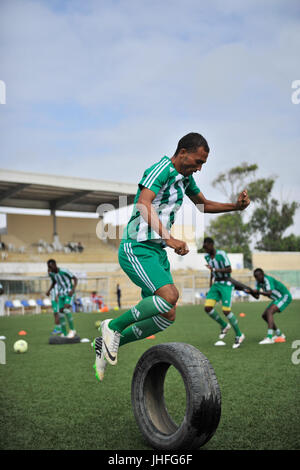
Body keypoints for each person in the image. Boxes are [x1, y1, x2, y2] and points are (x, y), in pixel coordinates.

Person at [92, 132, 250, 381]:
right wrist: (169, 238)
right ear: (183, 153)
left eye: (203, 165)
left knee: (167, 315)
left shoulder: (184, 179)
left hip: (156, 251)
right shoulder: (160, 169)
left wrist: (236, 207)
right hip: (137, 246)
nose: (199, 169)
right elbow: (144, 204)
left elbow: (203, 204)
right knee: (170, 296)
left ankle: (107, 343)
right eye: (197, 162)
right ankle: (112, 326)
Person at [202, 237, 245, 349]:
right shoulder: (206, 257)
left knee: (226, 310)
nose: (205, 250)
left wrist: (215, 270)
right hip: (216, 285)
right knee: (207, 308)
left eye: (206, 247)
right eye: (204, 248)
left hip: (226, 284)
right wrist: (210, 287)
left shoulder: (221, 254)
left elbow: (229, 269)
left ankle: (239, 335)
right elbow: (212, 272)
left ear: (211, 245)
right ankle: (224, 325)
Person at [248, 268, 292, 344]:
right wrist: (251, 292)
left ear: (262, 275)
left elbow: (269, 293)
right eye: (255, 277)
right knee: (264, 315)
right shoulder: (258, 282)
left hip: (284, 296)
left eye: (258, 276)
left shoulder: (268, 279)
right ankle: (280, 334)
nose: (257, 278)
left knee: (269, 312)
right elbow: (257, 297)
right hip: (277, 299)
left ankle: (269, 337)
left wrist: (258, 291)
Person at [46, 259, 78, 338]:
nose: (50, 269)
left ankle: (72, 330)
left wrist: (73, 289)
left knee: (66, 309)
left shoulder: (64, 271)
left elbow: (75, 278)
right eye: (48, 267)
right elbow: (54, 282)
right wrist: (49, 290)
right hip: (61, 294)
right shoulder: (53, 274)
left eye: (50, 267)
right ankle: (64, 333)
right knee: (60, 313)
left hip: (69, 293)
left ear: (55, 265)